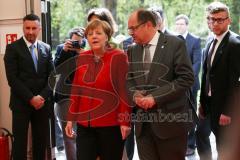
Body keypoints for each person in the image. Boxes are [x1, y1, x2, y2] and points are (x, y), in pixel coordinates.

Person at [127, 9, 194, 160]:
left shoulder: (175, 43)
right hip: (143, 126)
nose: (130, 32)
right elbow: (129, 79)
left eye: (133, 28)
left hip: (170, 123)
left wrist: (155, 97)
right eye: (129, 29)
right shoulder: (132, 49)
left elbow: (186, 78)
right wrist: (135, 95)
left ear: (148, 25)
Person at [65, 19, 131, 160]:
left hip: (110, 125)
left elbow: (124, 92)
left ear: (107, 36)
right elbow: (76, 90)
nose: (93, 36)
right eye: (90, 34)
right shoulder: (82, 57)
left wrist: (125, 122)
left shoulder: (119, 57)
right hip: (85, 126)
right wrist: (70, 119)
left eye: (98, 33)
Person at [4, 14, 54, 160]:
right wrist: (31, 98)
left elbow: (52, 77)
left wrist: (42, 97)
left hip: (42, 105)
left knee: (40, 143)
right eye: (27, 28)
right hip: (21, 104)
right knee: (19, 144)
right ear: (23, 27)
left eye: (34, 28)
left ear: (39, 28)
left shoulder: (46, 48)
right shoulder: (12, 48)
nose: (30, 32)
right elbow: (12, 79)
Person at [198, 1, 240, 159]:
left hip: (225, 107)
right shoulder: (210, 40)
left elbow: (235, 82)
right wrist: (202, 102)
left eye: (220, 19)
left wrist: (227, 112)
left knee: (226, 147)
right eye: (211, 19)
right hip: (209, 103)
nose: (214, 23)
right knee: (204, 137)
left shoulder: (235, 43)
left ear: (229, 20)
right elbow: (206, 74)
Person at [54, 27, 85, 160]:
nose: (76, 44)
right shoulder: (62, 49)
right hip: (65, 97)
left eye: (79, 41)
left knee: (84, 136)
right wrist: (65, 52)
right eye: (74, 42)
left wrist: (82, 53)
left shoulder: (88, 51)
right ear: (69, 40)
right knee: (69, 137)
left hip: (84, 97)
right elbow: (55, 70)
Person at [174, 14, 202, 156]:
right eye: (177, 24)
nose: (179, 26)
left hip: (191, 85)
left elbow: (197, 63)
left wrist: (186, 80)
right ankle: (180, 143)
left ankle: (191, 144)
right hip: (176, 87)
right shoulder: (171, 40)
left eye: (181, 24)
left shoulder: (195, 40)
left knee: (190, 114)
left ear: (187, 25)